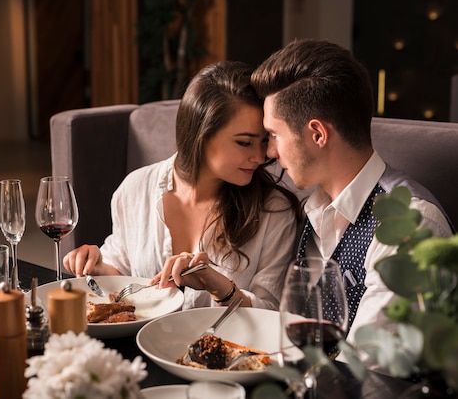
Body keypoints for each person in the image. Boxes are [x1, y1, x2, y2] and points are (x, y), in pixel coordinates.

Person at [250, 38, 454, 341]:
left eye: (274, 135)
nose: (269, 152)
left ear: (317, 134)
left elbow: (368, 366)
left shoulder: (410, 224)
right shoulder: (312, 205)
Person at [63, 60, 301, 310]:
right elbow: (121, 268)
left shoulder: (273, 210)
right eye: (244, 143)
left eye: (264, 141)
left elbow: (272, 313)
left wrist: (218, 286)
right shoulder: (135, 189)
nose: (260, 157)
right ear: (202, 134)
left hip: (229, 347)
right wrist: (95, 265)